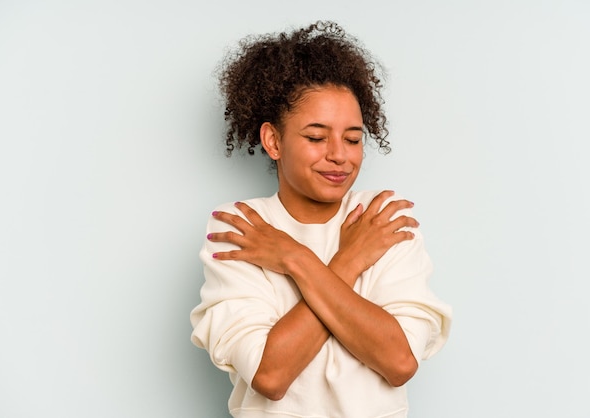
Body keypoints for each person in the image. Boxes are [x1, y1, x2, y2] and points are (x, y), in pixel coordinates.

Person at [190, 21, 452, 418]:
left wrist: (295, 259)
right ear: (273, 141)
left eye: (352, 138)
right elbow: (271, 375)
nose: (339, 155)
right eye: (316, 137)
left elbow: (399, 362)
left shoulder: (381, 219)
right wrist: (348, 261)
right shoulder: (242, 230)